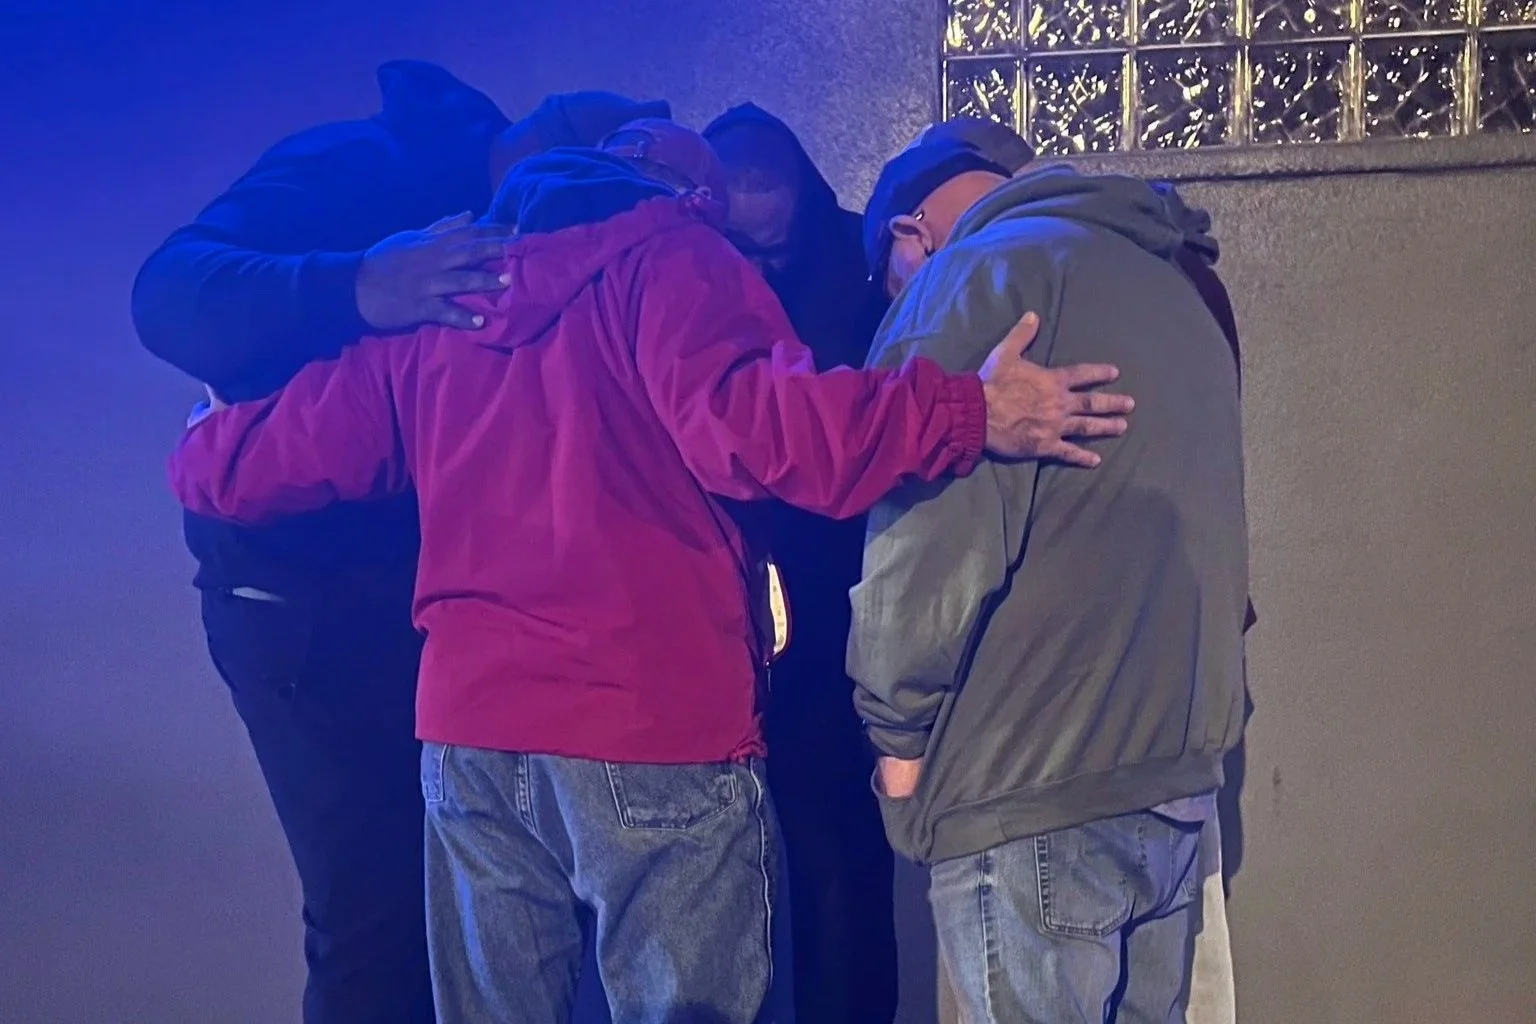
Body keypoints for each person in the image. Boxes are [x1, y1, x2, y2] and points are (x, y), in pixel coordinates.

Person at [163, 125, 1133, 1022]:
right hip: (652, 724)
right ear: (685, 195)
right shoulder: (675, 256)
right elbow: (769, 433)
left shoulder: (449, 288)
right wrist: (970, 410)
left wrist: (208, 447)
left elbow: (270, 452)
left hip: (471, 745)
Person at [129, 59, 667, 1024]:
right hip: (307, 607)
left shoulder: (541, 239)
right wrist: (361, 284)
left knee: (475, 925)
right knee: (378, 922)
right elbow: (170, 293)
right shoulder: (365, 165)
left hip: (437, 617)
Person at [849, 139, 1249, 1022]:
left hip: (1026, 786)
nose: (894, 293)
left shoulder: (971, 284)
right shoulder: (1176, 285)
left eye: (888, 272)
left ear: (909, 234)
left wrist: (898, 746)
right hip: (1173, 782)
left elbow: (921, 554)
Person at [702, 103, 897, 1024]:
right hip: (719, 605)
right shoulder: (690, 279)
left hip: (842, 602)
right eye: (731, 178)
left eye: (763, 176)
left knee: (837, 854)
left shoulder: (862, 270)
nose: (749, 198)